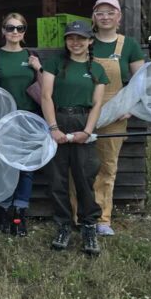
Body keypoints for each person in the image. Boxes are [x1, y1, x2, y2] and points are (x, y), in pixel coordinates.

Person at [41, 20, 108, 256]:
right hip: (58, 120)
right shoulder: (55, 64)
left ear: (90, 41)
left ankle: (89, 226)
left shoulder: (97, 69)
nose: (76, 42)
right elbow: (46, 96)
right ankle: (63, 225)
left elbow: (98, 103)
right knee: (57, 178)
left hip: (82, 121)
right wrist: (53, 128)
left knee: (84, 176)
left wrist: (87, 131)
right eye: (71, 38)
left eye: (81, 38)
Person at [80, 0, 145, 236]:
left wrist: (131, 106)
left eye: (110, 13)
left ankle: (102, 218)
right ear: (94, 18)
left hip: (114, 117)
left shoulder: (129, 45)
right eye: (100, 13)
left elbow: (141, 82)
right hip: (83, 114)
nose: (105, 17)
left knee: (107, 166)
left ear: (119, 17)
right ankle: (79, 215)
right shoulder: (85, 43)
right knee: (79, 165)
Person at [0, 12, 43, 236]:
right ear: (2, 31)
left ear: (24, 32)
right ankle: (4, 209)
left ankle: (20, 212)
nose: (15, 32)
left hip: (28, 119)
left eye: (20, 28)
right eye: (10, 28)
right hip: (3, 120)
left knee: (26, 167)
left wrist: (38, 68)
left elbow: (46, 89)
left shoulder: (32, 56)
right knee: (4, 165)